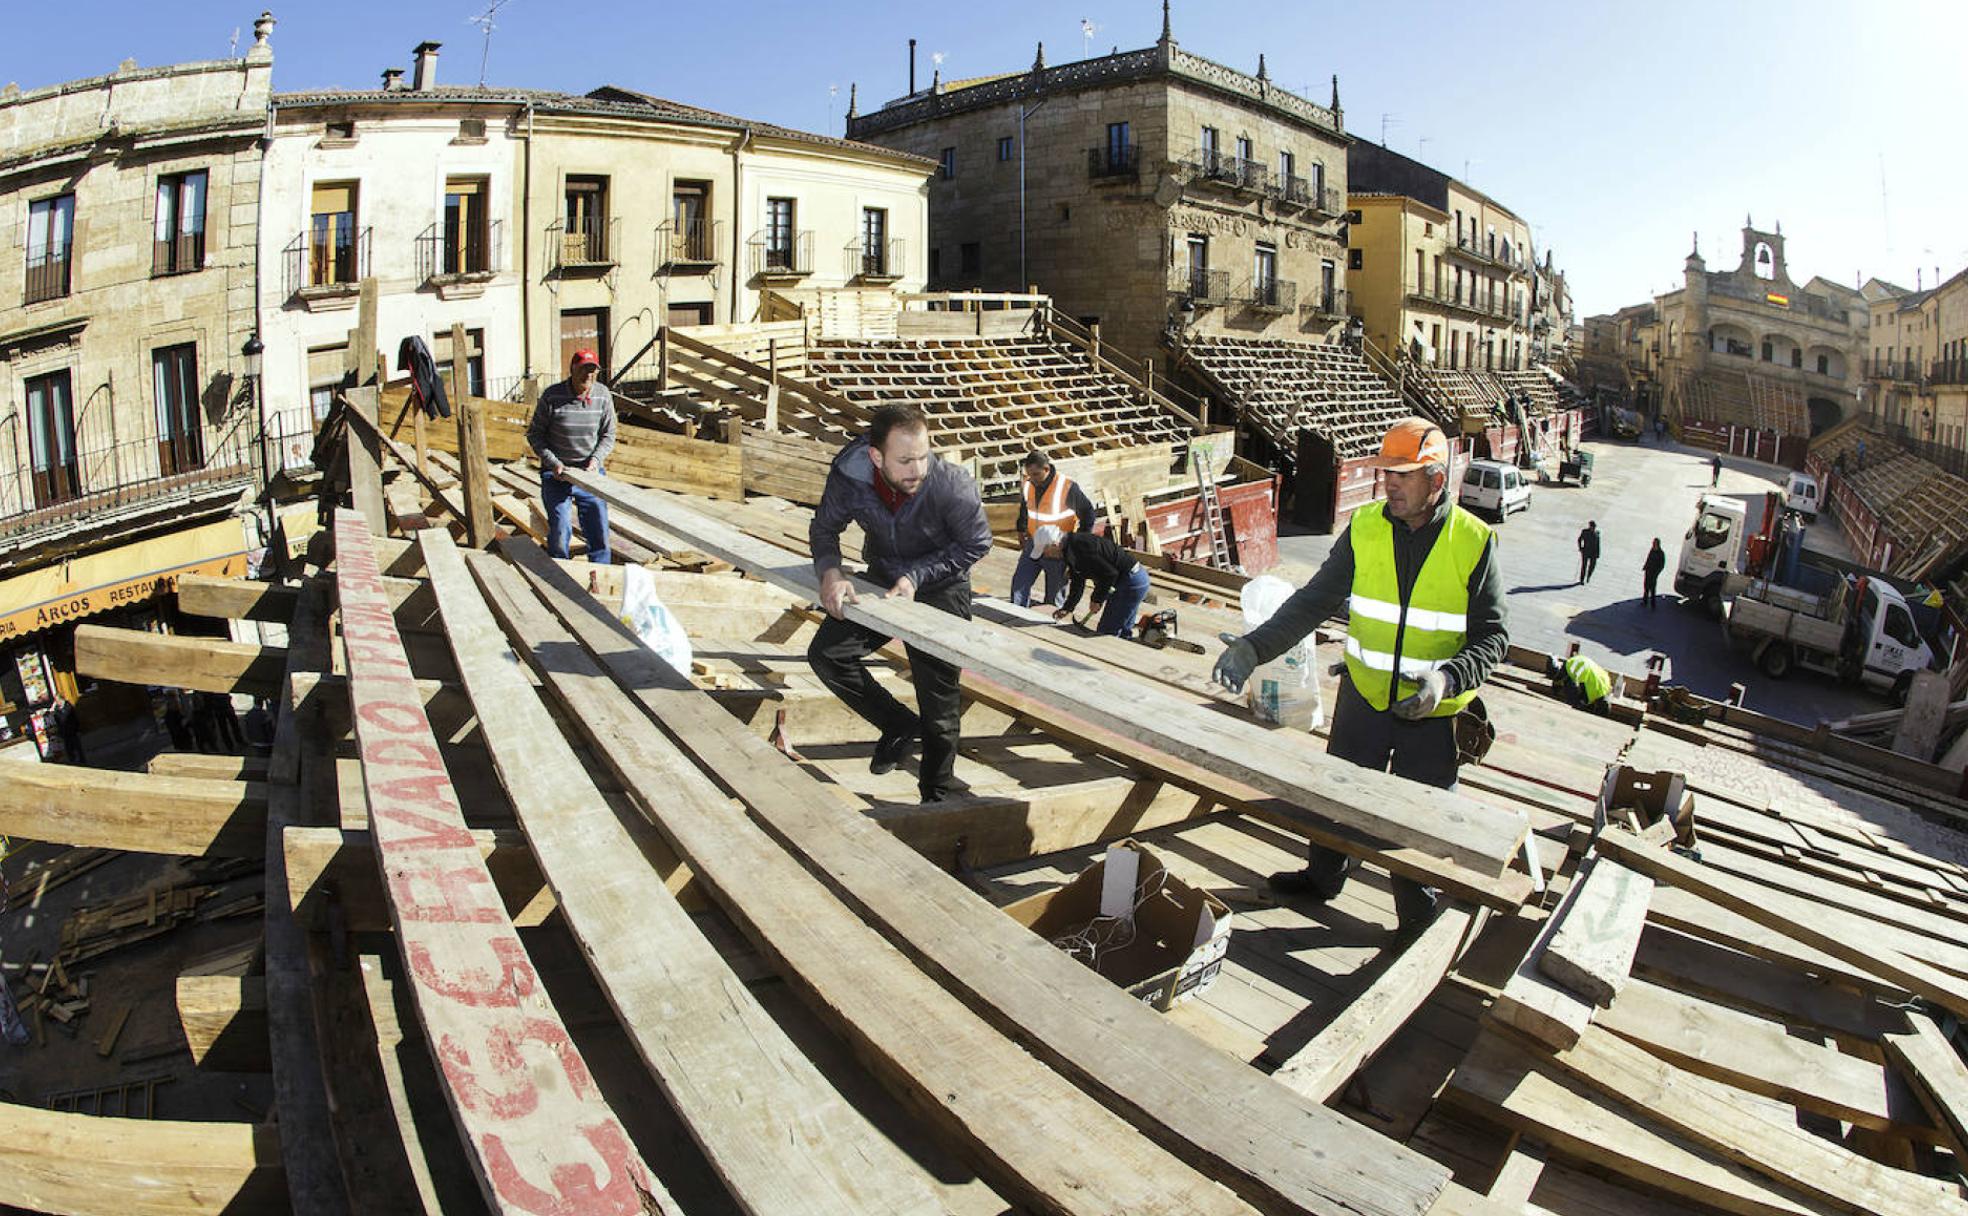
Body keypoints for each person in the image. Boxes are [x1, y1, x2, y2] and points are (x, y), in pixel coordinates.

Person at [1211, 418, 1509, 928]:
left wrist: (1446, 681)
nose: (1389, 483)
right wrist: (1253, 648)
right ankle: (1323, 880)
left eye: (1404, 475)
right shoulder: (1366, 527)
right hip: (1363, 700)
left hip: (1433, 718)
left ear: (1436, 480)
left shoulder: (1474, 542)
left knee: (1415, 826)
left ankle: (1419, 919)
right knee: (1336, 800)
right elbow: (1313, 602)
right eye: (1386, 472)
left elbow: (1493, 637)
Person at [809, 403, 991, 804]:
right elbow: (824, 528)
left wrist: (918, 576)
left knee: (939, 706)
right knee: (828, 655)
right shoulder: (850, 476)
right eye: (905, 460)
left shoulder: (951, 484)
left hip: (941, 582)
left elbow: (978, 542)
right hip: (883, 573)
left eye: (924, 456)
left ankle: (934, 795)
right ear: (876, 457)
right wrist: (831, 571)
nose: (918, 470)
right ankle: (896, 724)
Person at [527, 348, 617, 565]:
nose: (588, 375)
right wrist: (553, 464)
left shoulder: (602, 395)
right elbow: (535, 435)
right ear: (572, 370)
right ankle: (561, 570)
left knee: (599, 526)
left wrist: (595, 460)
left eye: (592, 370)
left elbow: (609, 434)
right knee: (559, 528)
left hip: (590, 471)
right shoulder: (552, 396)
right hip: (557, 473)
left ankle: (601, 572)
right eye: (584, 370)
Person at [1011, 450, 1096, 609]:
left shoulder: (1067, 487)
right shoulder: (1029, 484)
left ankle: (1050, 625)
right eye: (1029, 474)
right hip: (1034, 543)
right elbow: (1025, 509)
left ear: (1047, 469)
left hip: (1057, 548)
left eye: (1036, 474)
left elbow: (1088, 514)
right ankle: (1015, 614)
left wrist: (1077, 544)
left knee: (1054, 595)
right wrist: (1021, 530)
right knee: (1019, 584)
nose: (1033, 479)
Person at [1035, 523, 1153, 639]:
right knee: (1121, 633)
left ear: (1055, 544)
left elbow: (1109, 574)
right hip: (1130, 580)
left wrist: (1097, 599)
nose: (1046, 555)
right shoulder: (1070, 549)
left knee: (1106, 634)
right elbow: (1078, 580)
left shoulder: (1081, 546)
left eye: (1045, 551)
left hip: (1131, 583)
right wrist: (1067, 608)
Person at [1641, 538, 1666, 609]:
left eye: (1654, 543)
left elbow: (1662, 565)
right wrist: (1645, 566)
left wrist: (1656, 573)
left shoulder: (1661, 553)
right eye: (1653, 543)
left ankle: (1653, 604)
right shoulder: (1652, 550)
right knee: (1646, 587)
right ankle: (1645, 601)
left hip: (1654, 574)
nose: (1653, 544)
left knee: (1652, 589)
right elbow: (1648, 559)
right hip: (1648, 571)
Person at [1576, 520, 1601, 585]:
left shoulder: (1597, 534)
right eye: (1592, 527)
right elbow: (1579, 539)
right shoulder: (1585, 532)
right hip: (1586, 551)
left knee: (1592, 566)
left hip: (1594, 553)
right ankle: (1582, 580)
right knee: (1584, 566)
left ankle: (1588, 576)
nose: (1593, 528)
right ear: (1589, 526)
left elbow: (1598, 544)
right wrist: (1580, 548)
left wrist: (1598, 553)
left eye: (1594, 527)